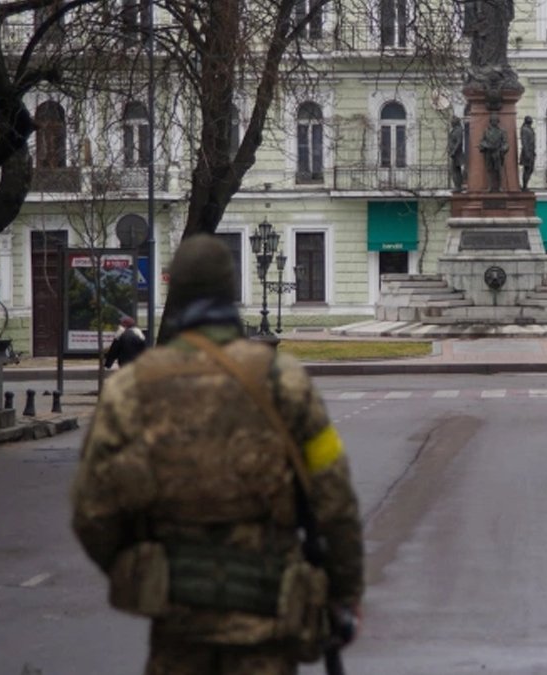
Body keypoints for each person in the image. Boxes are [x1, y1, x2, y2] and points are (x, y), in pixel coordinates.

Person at [72, 235, 364, 675]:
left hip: (177, 625)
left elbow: (92, 510)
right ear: (230, 293)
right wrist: (345, 593)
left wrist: (144, 571)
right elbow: (334, 496)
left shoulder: (131, 389)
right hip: (269, 620)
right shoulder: (284, 381)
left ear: (177, 295)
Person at [479, 114, 508, 193]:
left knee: (498, 170)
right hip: (488, 152)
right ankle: (490, 186)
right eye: (492, 120)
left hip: (497, 152)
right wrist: (484, 145)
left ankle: (500, 186)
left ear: (498, 121)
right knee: (489, 170)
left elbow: (505, 142)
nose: (494, 122)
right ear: (490, 121)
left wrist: (503, 149)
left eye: (495, 120)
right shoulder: (486, 131)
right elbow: (482, 141)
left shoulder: (502, 131)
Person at [448, 117, 465, 192]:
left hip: (457, 154)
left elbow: (459, 142)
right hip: (455, 153)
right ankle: (458, 186)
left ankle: (458, 186)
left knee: (455, 170)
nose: (451, 123)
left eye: (452, 121)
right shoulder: (455, 129)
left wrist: (454, 151)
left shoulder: (458, 130)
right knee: (455, 170)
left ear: (455, 122)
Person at [519, 116, 536, 191]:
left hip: (531, 152)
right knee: (527, 169)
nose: (531, 121)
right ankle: (524, 186)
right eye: (530, 119)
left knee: (530, 169)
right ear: (527, 120)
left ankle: (525, 185)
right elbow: (524, 142)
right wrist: (527, 154)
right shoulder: (525, 129)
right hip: (527, 153)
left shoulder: (529, 128)